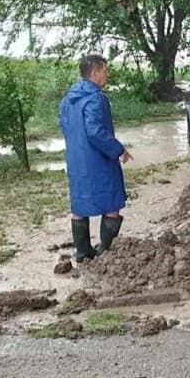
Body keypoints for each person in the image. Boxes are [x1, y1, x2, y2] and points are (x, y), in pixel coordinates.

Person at [58, 54, 133, 263]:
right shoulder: (97, 98)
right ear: (95, 72)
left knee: (79, 205)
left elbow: (64, 126)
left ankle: (82, 254)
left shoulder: (67, 99)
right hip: (98, 160)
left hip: (76, 160)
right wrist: (118, 150)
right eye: (105, 70)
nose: (106, 74)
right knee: (111, 202)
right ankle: (105, 254)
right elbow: (95, 132)